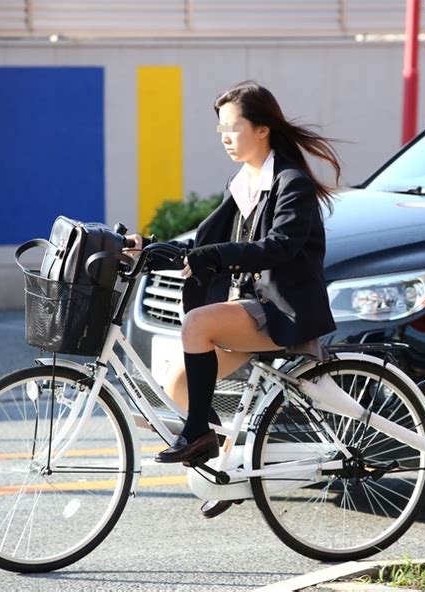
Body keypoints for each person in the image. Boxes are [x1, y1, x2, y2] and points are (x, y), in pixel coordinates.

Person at [127, 80, 340, 518]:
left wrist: (211, 256)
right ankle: (233, 463)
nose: (225, 137)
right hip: (253, 306)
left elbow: (280, 246)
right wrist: (147, 248)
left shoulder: (290, 182)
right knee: (179, 385)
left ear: (262, 129)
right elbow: (205, 241)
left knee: (197, 325)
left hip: (282, 311)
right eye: (220, 128)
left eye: (233, 127)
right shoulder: (245, 181)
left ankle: (201, 437)